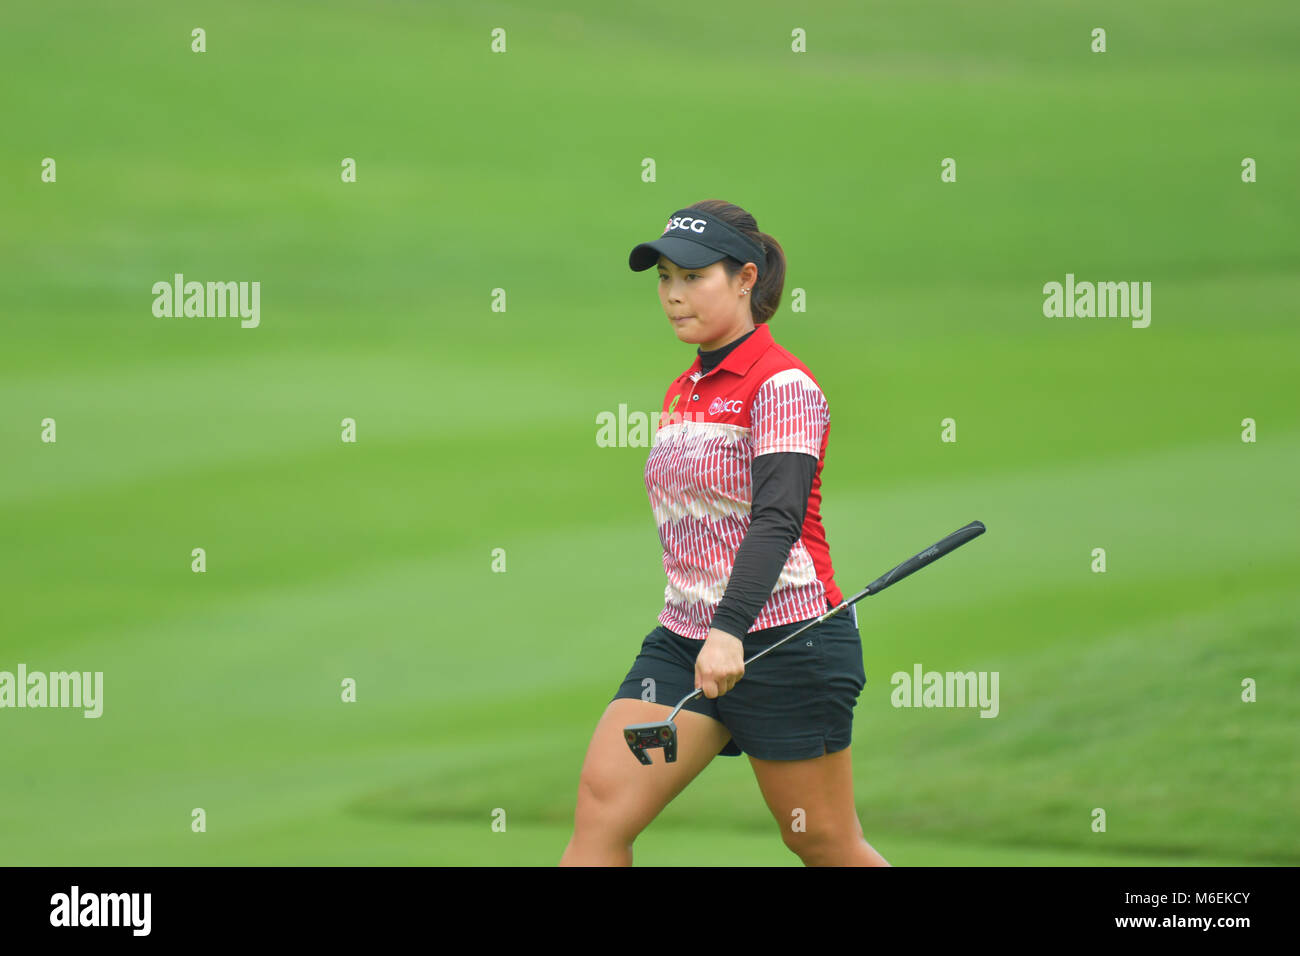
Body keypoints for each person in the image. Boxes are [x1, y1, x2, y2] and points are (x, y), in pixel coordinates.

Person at [559, 200, 890, 867]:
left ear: (745, 278)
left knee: (820, 839)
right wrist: (708, 630)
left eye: (693, 276)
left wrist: (730, 628)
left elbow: (778, 518)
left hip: (784, 641)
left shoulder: (783, 384)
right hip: (684, 640)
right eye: (664, 279)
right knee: (602, 811)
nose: (674, 295)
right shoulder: (687, 388)